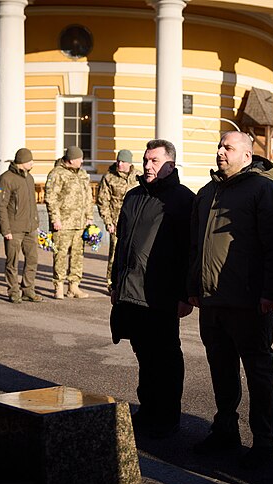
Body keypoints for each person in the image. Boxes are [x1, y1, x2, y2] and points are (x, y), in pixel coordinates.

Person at [188, 131, 273, 468]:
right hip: (213, 301)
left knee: (259, 373)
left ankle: (263, 443)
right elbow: (196, 246)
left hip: (249, 303)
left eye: (227, 147)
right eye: (218, 145)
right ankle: (225, 430)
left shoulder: (264, 189)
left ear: (247, 154)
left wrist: (271, 292)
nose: (220, 151)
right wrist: (193, 286)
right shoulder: (207, 192)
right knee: (221, 369)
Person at [110, 139, 194, 439]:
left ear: (170, 164)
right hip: (131, 290)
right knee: (143, 353)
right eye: (146, 160)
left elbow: (189, 250)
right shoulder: (133, 196)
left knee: (166, 356)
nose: (147, 165)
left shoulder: (183, 200)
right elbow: (121, 244)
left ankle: (168, 414)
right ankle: (148, 408)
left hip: (162, 292)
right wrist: (114, 283)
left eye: (154, 161)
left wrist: (186, 294)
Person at [44, 145, 93, 299]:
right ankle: (58, 286)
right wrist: (55, 219)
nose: (82, 161)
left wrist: (89, 217)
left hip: (80, 223)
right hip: (63, 223)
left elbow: (88, 197)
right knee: (60, 255)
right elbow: (51, 198)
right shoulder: (57, 174)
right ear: (71, 160)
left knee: (78, 255)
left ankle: (74, 287)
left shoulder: (83, 174)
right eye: (79, 159)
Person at [0, 148, 43, 304]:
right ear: (22, 162)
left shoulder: (29, 178)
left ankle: (28, 289)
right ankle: (13, 291)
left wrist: (35, 223)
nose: (33, 163)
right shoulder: (6, 179)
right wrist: (5, 230)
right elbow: (1, 206)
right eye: (30, 160)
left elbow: (31, 204)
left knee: (32, 259)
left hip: (30, 227)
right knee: (12, 261)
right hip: (14, 229)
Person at [97, 149, 139, 293]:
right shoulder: (109, 177)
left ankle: (132, 281)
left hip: (136, 222)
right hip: (116, 223)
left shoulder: (138, 176)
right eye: (118, 161)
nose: (120, 164)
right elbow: (103, 201)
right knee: (115, 253)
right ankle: (111, 282)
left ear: (130, 163)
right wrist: (108, 221)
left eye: (123, 162)